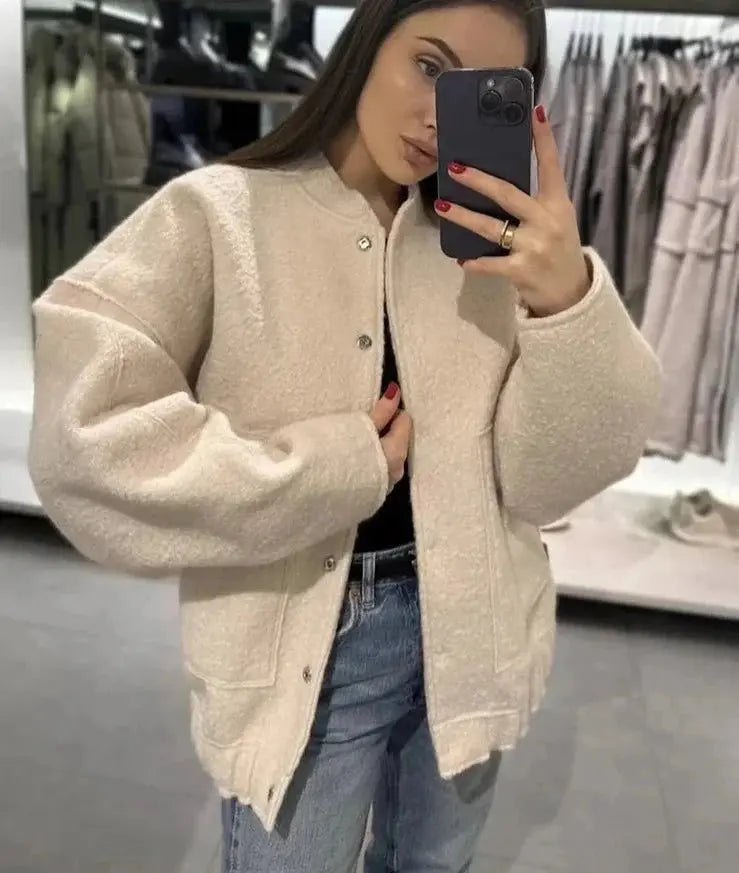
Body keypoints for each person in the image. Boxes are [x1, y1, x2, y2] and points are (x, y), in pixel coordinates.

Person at [28, 1, 661, 871]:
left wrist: (565, 299)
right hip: (316, 650)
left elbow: (546, 480)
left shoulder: (497, 250)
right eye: (429, 66)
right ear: (366, 42)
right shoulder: (220, 216)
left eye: (480, 91)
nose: (439, 116)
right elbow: (84, 440)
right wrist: (332, 467)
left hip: (475, 628)